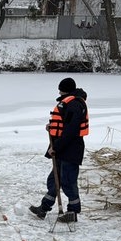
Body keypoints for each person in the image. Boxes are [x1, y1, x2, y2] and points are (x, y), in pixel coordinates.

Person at [29, 77, 88, 223]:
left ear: (65, 90)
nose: (59, 91)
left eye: (60, 89)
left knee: (68, 181)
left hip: (71, 148)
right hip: (64, 147)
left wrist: (56, 147)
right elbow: (63, 125)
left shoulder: (74, 104)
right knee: (54, 179)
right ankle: (44, 208)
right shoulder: (68, 103)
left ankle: (72, 212)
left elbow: (71, 131)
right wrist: (52, 128)